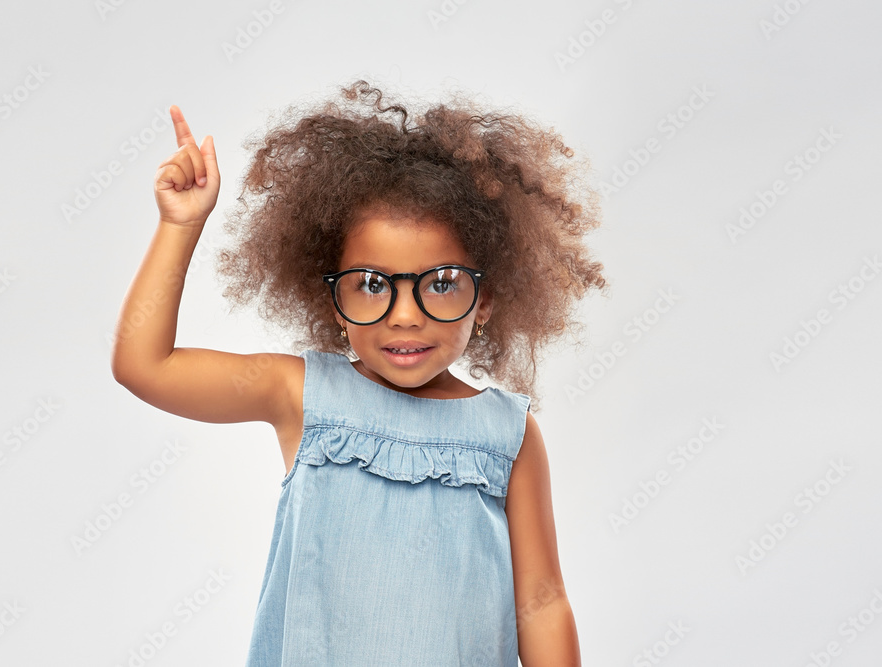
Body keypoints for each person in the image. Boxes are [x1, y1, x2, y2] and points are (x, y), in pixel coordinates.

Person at [111, 80, 606, 666]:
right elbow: (146, 366)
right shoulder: (301, 396)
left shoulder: (508, 436)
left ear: (487, 298)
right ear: (330, 298)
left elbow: (543, 606)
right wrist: (179, 225)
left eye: (441, 284)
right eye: (373, 285)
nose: (404, 316)